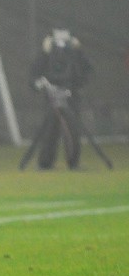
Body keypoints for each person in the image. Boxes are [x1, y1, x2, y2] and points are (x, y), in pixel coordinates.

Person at [29, 28, 93, 170]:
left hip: (71, 96)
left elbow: (87, 70)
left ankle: (73, 162)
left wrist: (78, 51)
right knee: (49, 131)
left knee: (72, 131)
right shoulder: (46, 55)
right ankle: (45, 163)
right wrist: (45, 53)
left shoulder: (75, 55)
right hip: (51, 97)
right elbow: (34, 74)